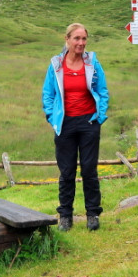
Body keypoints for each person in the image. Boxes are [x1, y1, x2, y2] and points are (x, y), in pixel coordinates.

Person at [42, 23, 109, 232]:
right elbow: (48, 94)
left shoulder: (93, 63)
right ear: (67, 39)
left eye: (84, 39)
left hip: (89, 122)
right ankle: (65, 216)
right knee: (67, 171)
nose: (81, 43)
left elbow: (103, 91)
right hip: (65, 123)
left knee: (89, 170)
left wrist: (99, 117)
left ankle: (92, 214)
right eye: (77, 38)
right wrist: (52, 117)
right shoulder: (56, 65)